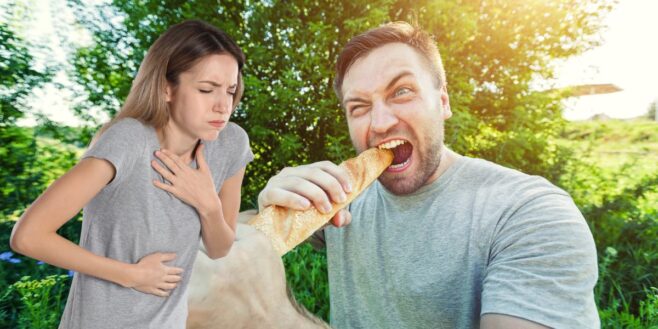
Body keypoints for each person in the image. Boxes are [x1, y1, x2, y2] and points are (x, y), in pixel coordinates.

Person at [257, 22, 599, 328]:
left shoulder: (530, 212)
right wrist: (269, 210)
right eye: (358, 107)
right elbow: (241, 240)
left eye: (401, 91)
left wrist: (272, 318)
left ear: (444, 101)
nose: (379, 123)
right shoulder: (344, 199)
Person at [10, 20, 253, 329]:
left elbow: (220, 248)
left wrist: (208, 204)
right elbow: (28, 236)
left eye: (231, 91)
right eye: (207, 89)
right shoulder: (129, 140)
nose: (223, 105)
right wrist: (132, 275)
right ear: (167, 88)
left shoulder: (229, 144)